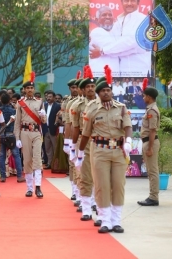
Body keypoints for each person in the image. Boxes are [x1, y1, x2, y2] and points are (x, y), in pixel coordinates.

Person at [78, 67, 132, 234]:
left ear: (111, 91)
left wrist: (128, 141)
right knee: (102, 185)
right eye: (103, 91)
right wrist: (79, 153)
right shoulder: (92, 109)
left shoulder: (121, 107)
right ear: (99, 94)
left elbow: (128, 126)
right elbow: (86, 133)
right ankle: (105, 220)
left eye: (108, 90)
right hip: (99, 150)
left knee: (118, 185)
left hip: (118, 151)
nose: (106, 93)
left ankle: (116, 220)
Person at [89, 0, 151, 77]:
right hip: (121, 73)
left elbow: (130, 42)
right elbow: (117, 44)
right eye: (126, 1)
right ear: (122, 3)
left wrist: (102, 51)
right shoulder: (118, 23)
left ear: (138, 2)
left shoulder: (143, 20)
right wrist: (131, 49)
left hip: (140, 71)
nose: (129, 3)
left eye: (132, 1)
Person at [70, 67, 98, 221]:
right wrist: (73, 147)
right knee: (85, 174)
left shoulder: (102, 104)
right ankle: (86, 207)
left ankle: (95, 202)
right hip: (84, 141)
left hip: (100, 142)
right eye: (87, 86)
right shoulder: (77, 106)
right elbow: (75, 127)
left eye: (93, 86)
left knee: (99, 175)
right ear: (83, 89)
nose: (90, 89)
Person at [14, 75, 47, 198]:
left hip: (37, 132)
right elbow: (17, 122)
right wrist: (17, 138)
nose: (29, 90)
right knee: (27, 160)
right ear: (24, 90)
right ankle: (29, 188)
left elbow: (44, 121)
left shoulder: (40, 102)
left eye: (31, 88)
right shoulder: (20, 103)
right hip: (24, 132)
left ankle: (38, 187)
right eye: (27, 88)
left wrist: (43, 115)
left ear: (34, 89)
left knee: (37, 159)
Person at [138, 80, 160, 206]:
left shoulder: (152, 111)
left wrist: (150, 148)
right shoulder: (150, 109)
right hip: (147, 142)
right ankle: (152, 196)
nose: (143, 97)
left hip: (150, 142)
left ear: (149, 97)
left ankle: (153, 197)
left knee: (152, 171)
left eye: (145, 95)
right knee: (151, 170)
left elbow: (152, 131)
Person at [63, 74, 83, 202]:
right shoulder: (69, 102)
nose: (76, 90)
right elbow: (68, 123)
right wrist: (68, 141)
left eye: (78, 87)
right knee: (73, 165)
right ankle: (75, 190)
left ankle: (85, 193)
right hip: (73, 136)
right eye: (73, 87)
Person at [0, 93, 25, 183]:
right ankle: (19, 176)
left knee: (2, 156)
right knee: (16, 155)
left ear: (0, 101)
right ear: (10, 100)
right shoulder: (14, 111)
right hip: (11, 135)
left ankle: (3, 176)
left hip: (1, 135)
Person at [89, 6, 120, 77]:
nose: (108, 17)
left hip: (113, 76)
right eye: (104, 15)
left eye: (110, 15)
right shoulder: (96, 32)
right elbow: (117, 49)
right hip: (100, 75)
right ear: (97, 19)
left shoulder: (113, 34)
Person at [42, 90, 61, 169]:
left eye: (50, 97)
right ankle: (49, 163)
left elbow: (59, 118)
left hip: (54, 129)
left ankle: (56, 164)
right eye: (47, 97)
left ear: (54, 97)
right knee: (47, 148)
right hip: (45, 129)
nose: (48, 98)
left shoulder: (58, 106)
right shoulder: (44, 105)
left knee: (55, 147)